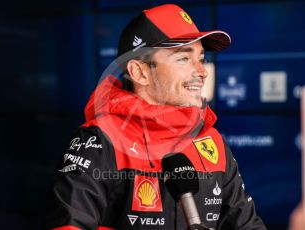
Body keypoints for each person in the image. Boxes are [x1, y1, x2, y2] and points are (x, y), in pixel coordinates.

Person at [44, 4, 267, 230]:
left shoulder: (211, 141)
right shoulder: (98, 141)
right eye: (183, 59)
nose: (202, 71)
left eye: (201, 58)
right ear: (139, 72)